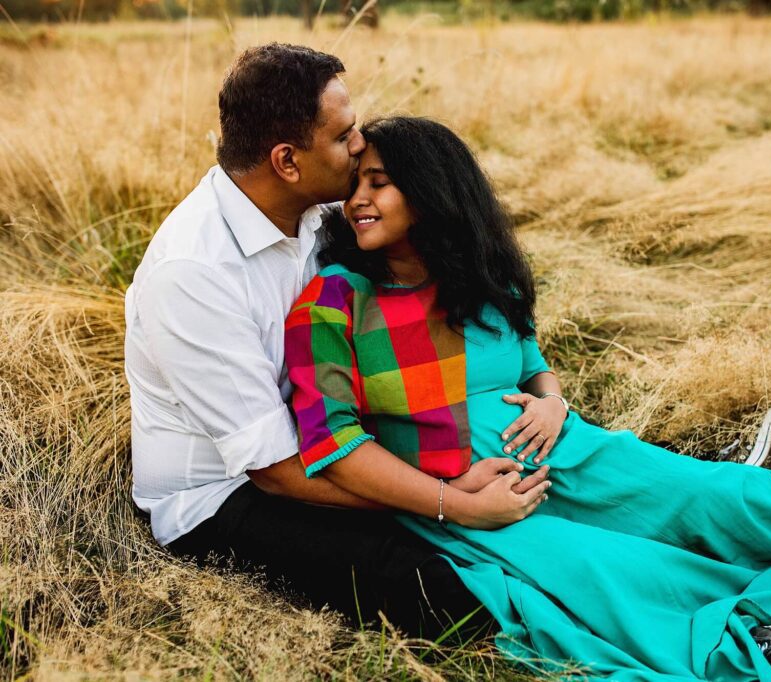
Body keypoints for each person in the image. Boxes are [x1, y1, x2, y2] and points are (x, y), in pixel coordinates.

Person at [283, 116, 771, 681]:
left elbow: (530, 363)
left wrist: (553, 402)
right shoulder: (335, 301)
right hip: (478, 499)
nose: (357, 200)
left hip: (570, 453)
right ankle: (747, 645)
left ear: (430, 191)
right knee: (615, 576)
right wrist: (456, 503)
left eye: (379, 183)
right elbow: (331, 442)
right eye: (356, 184)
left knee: (722, 499)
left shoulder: (480, 274)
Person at [125, 44, 552, 640]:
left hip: (341, 439)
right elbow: (273, 470)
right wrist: (447, 499)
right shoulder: (194, 272)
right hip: (231, 494)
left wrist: (539, 389)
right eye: (344, 135)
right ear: (288, 161)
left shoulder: (318, 215)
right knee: (450, 593)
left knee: (527, 536)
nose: (359, 145)